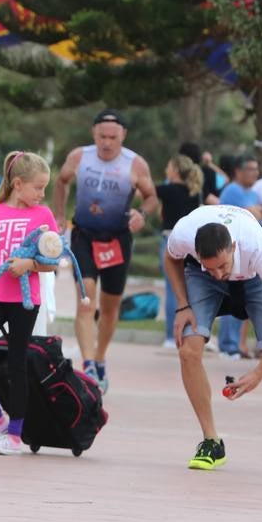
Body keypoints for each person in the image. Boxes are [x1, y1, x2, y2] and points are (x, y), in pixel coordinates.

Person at [164, 205, 262, 477]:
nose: (219, 273)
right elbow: (170, 259)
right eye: (210, 266)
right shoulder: (184, 233)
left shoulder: (258, 248)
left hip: (252, 282)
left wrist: (259, 371)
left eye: (222, 266)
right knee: (188, 351)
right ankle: (212, 441)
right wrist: (182, 305)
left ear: (234, 247)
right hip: (199, 281)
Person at [54, 109, 158, 390]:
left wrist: (142, 215)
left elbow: (151, 198)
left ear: (123, 135)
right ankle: (88, 365)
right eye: (102, 136)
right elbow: (61, 181)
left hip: (117, 240)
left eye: (113, 137)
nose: (107, 142)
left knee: (110, 308)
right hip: (84, 236)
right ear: (94, 134)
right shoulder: (79, 157)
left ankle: (99, 357)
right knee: (87, 303)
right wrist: (60, 216)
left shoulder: (135, 164)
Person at [0, 151, 58, 455]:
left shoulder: (43, 216)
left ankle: (16, 436)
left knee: (17, 362)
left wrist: (30, 264)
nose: (42, 194)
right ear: (18, 184)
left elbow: (52, 262)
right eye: (38, 187)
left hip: (24, 299)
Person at [217, 155, 262, 359]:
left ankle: (236, 343)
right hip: (231, 250)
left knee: (243, 300)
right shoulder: (231, 191)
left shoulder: (254, 193)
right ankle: (228, 345)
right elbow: (227, 216)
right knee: (231, 297)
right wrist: (251, 212)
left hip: (249, 252)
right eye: (250, 169)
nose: (255, 173)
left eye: (256, 169)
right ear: (239, 171)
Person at [156, 154, 203, 349]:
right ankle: (193, 333)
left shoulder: (167, 190)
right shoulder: (194, 193)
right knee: (191, 290)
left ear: (174, 170)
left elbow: (145, 192)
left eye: (169, 166)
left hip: (170, 240)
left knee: (172, 289)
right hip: (190, 244)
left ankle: (170, 336)